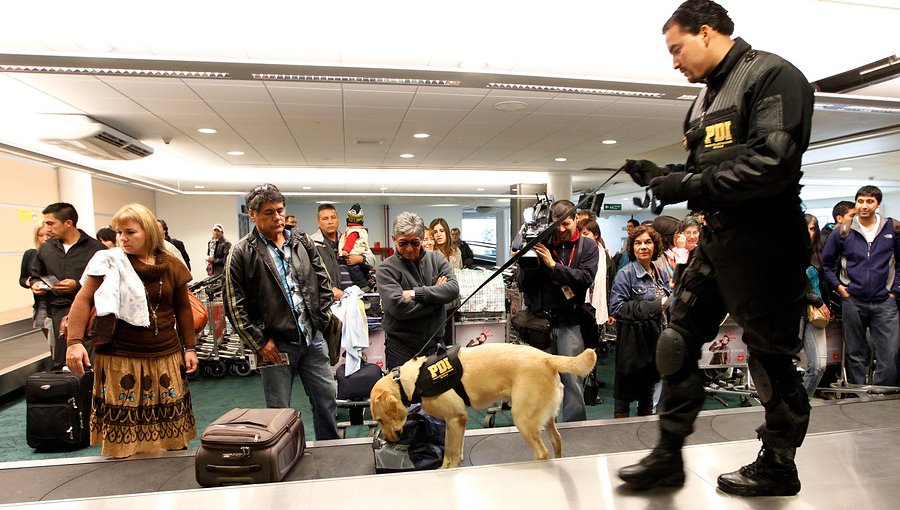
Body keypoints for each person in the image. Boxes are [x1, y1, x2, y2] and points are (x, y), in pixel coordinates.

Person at [617, 1, 815, 496]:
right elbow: (707, 171)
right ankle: (667, 457)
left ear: (706, 33)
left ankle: (778, 465)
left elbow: (773, 163)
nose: (674, 61)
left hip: (766, 242)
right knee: (676, 342)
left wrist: (686, 184)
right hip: (717, 239)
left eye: (677, 48)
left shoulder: (773, 76)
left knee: (770, 359)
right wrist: (664, 176)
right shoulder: (703, 99)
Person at [64, 203, 198, 458]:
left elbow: (183, 308)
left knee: (169, 436)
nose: (122, 239)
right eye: (118, 232)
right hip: (120, 356)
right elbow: (83, 300)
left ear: (148, 232)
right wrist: (74, 341)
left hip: (165, 356)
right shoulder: (109, 262)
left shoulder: (171, 264)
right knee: (125, 437)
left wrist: (189, 347)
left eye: (130, 232)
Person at [224, 184, 339, 440]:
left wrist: (321, 317)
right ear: (252, 215)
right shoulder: (241, 252)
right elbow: (234, 305)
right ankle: (283, 456)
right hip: (275, 345)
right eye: (268, 212)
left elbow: (322, 281)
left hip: (312, 338)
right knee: (278, 412)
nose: (277, 217)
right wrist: (259, 342)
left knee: (327, 399)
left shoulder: (301, 241)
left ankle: (331, 449)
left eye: (279, 210)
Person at [516, 200, 598, 422]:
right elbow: (523, 285)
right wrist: (528, 255)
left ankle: (575, 427)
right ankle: (540, 424)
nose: (561, 230)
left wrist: (553, 266)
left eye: (566, 224)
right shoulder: (542, 243)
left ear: (576, 220)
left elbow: (585, 279)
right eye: (556, 225)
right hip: (539, 324)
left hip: (569, 322)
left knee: (572, 379)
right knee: (538, 379)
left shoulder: (587, 247)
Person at [822, 185, 899, 387]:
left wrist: (894, 291)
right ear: (856, 203)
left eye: (869, 201)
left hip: (885, 301)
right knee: (855, 352)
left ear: (878, 204)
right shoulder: (843, 231)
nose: (864, 206)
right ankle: (858, 392)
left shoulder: (893, 229)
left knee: (889, 351)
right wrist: (840, 288)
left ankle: (882, 392)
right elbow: (827, 265)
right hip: (853, 299)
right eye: (861, 201)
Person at [376, 212, 459, 369]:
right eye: (403, 243)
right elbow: (398, 307)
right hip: (402, 349)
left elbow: (453, 290)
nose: (409, 249)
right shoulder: (386, 269)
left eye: (415, 243)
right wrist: (437, 298)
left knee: (439, 392)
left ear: (422, 239)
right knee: (404, 393)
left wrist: (416, 294)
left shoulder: (437, 260)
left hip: (436, 346)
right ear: (394, 239)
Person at [29, 202, 104, 369]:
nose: (47, 228)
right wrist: (36, 284)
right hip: (57, 312)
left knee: (89, 362)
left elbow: (107, 282)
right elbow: (35, 274)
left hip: (88, 314)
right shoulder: (46, 249)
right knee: (61, 361)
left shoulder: (96, 249)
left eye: (50, 223)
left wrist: (77, 285)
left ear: (68, 223)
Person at [609, 226, 669, 418]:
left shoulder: (660, 274)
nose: (643, 247)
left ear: (655, 246)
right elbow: (617, 308)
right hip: (632, 342)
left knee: (648, 395)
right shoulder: (625, 274)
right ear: (632, 248)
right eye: (638, 243)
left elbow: (668, 303)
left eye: (648, 242)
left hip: (655, 339)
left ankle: (643, 434)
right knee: (624, 397)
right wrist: (654, 307)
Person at [310, 203, 376, 298]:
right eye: (325, 218)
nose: (330, 221)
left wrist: (361, 259)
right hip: (332, 299)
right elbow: (311, 275)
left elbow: (372, 260)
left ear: (338, 219)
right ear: (318, 222)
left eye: (333, 217)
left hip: (358, 297)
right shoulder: (313, 244)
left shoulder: (349, 237)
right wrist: (331, 288)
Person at [801, 214, 831, 397]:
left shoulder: (817, 253)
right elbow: (792, 287)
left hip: (816, 314)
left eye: (813, 229)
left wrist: (826, 305)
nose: (809, 233)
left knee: (819, 366)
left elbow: (822, 283)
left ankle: (800, 402)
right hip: (794, 313)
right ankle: (794, 406)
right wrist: (818, 301)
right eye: (806, 228)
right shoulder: (786, 253)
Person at [20, 224, 50, 338]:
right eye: (41, 235)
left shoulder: (59, 255)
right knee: (50, 344)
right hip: (40, 303)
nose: (45, 238)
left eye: (48, 235)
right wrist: (30, 282)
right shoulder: (30, 254)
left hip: (58, 303)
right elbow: (22, 279)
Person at [338, 203, 374, 289]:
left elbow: (349, 242)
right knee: (364, 270)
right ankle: (369, 279)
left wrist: (345, 251)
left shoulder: (352, 232)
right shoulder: (362, 231)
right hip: (362, 256)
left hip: (354, 257)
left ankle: (363, 285)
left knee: (355, 271)